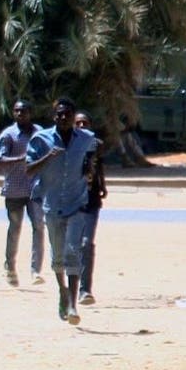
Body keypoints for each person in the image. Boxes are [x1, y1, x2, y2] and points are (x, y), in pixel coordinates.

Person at [25, 97, 99, 325]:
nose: (63, 117)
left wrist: (89, 168)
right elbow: (28, 170)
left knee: (72, 252)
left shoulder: (86, 138)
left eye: (67, 114)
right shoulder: (41, 139)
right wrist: (48, 157)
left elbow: (96, 149)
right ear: (54, 116)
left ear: (74, 116)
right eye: (59, 114)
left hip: (77, 204)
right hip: (52, 204)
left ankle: (73, 305)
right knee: (58, 256)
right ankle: (62, 291)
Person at [0, 99, 46, 287]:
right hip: (14, 189)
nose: (19, 114)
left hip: (35, 189)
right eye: (16, 111)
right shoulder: (8, 135)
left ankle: (36, 271)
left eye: (23, 111)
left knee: (39, 227)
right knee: (15, 228)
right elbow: (0, 160)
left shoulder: (39, 133)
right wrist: (21, 159)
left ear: (30, 112)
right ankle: (10, 267)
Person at [74, 111, 107, 306]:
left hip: (91, 202)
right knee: (72, 246)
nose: (81, 126)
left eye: (85, 123)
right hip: (71, 202)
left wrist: (102, 185)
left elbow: (99, 166)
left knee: (86, 243)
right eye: (78, 123)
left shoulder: (96, 145)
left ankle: (85, 290)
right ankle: (70, 287)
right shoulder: (68, 144)